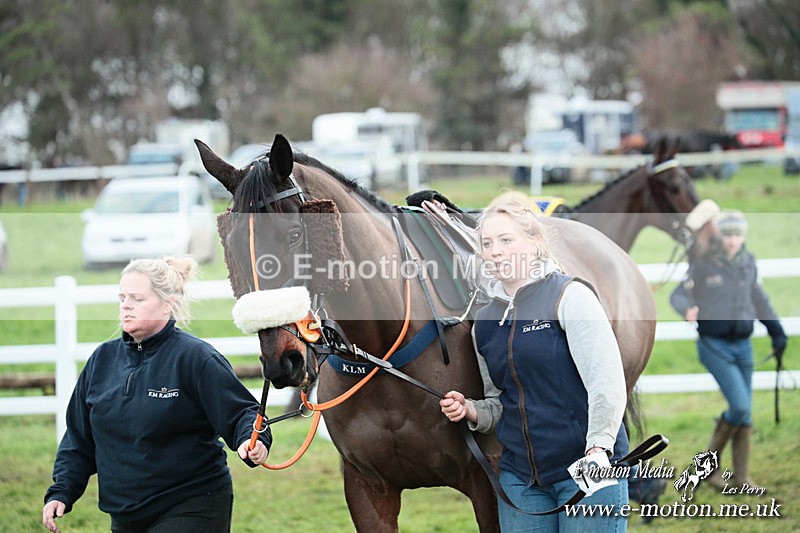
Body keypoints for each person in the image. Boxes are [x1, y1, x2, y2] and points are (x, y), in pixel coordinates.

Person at [439, 192, 630, 531]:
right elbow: (501, 403)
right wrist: (471, 410)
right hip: (521, 481)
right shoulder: (484, 321)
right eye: (486, 243)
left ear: (535, 241)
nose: (495, 250)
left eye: (506, 239)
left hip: (588, 467)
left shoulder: (569, 297)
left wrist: (599, 447)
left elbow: (607, 383)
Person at [42, 257, 271, 533]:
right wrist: (62, 490)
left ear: (168, 303)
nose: (125, 305)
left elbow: (243, 413)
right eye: (122, 297)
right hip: (125, 514)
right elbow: (79, 437)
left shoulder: (196, 358)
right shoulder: (101, 361)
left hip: (192, 505)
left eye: (137, 298)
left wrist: (251, 439)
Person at [670, 210, 787, 490]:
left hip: (743, 346)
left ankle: (741, 477)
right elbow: (679, 293)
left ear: (743, 236)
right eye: (728, 235)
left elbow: (758, 299)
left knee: (743, 413)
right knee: (740, 407)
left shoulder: (748, 263)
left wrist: (776, 331)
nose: (733, 241)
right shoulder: (702, 263)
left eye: (738, 235)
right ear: (719, 236)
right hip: (714, 346)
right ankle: (708, 468)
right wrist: (687, 307)